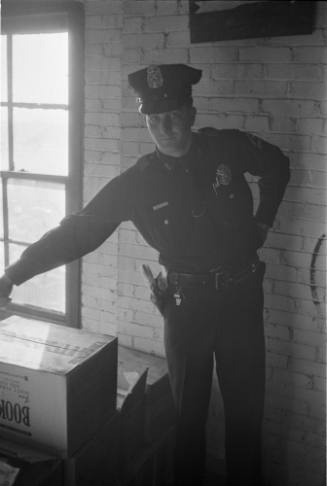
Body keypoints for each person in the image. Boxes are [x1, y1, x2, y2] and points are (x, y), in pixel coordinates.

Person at [0, 64, 290, 486]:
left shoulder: (227, 147)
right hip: (185, 308)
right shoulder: (138, 182)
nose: (165, 128)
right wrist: (13, 276)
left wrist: (263, 222)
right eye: (154, 120)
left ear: (190, 112)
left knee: (245, 418)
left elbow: (278, 165)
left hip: (241, 299)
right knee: (187, 422)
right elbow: (78, 231)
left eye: (173, 115)